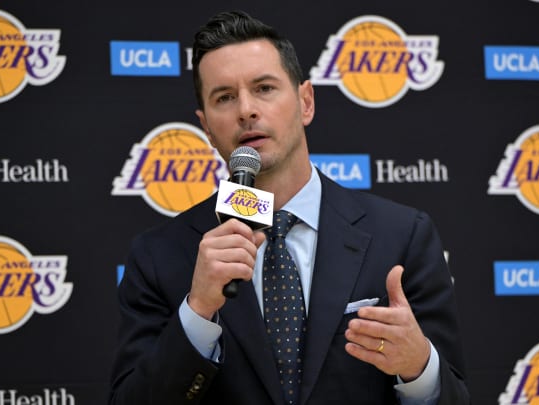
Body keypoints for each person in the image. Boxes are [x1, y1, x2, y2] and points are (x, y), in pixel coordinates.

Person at [109, 10, 470, 405]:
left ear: (306, 102)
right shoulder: (159, 256)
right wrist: (198, 312)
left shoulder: (402, 236)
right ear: (207, 127)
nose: (246, 109)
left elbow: (455, 395)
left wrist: (419, 368)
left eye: (264, 88)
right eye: (225, 97)